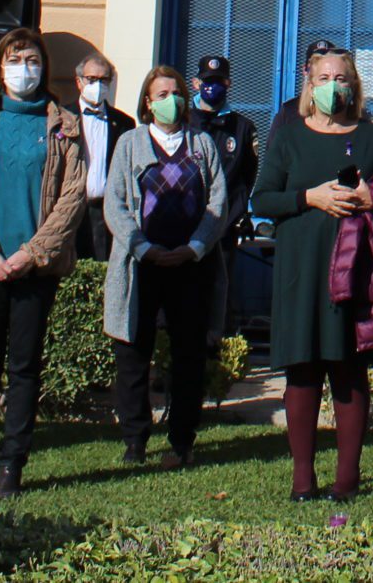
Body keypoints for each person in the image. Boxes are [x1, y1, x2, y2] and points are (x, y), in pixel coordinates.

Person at [0, 27, 87, 500]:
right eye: (13, 59)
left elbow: (72, 197)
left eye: (30, 58)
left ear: (43, 66)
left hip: (35, 268)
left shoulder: (63, 125)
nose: (22, 68)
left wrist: (31, 252)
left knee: (24, 366)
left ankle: (13, 464)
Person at [255, 40, 373, 502]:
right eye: (323, 79)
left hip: (353, 270)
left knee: (348, 370)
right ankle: (302, 478)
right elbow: (262, 198)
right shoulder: (289, 135)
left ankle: (346, 478)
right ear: (309, 87)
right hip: (301, 268)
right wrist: (309, 197)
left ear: (353, 85)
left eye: (341, 79)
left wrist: (370, 199)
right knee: (304, 369)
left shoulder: (372, 137)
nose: (333, 87)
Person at [104, 65, 230, 469]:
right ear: (147, 101)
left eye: (175, 92)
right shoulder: (130, 144)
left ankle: (182, 438)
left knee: (188, 355)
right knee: (134, 351)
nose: (170, 100)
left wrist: (195, 247)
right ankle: (135, 438)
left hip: (190, 264)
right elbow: (116, 204)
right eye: (161, 94)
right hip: (142, 264)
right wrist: (143, 247)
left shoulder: (202, 144)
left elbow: (217, 203)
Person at [188, 54, 262, 343]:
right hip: (185, 226)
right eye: (207, 82)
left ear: (228, 83)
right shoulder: (185, 121)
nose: (212, 87)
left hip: (223, 227)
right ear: (196, 83)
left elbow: (247, 177)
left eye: (218, 82)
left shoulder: (242, 128)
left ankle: (217, 351)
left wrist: (235, 216)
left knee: (220, 292)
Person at [76, 50, 132, 261]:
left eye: (103, 80)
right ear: (79, 82)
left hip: (105, 212)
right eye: (91, 79)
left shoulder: (124, 124)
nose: (98, 86)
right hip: (72, 209)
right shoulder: (63, 117)